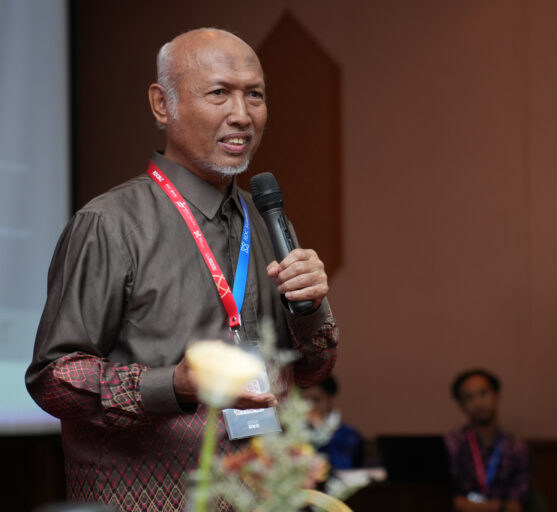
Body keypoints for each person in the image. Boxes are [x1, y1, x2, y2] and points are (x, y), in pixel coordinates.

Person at [25, 28, 338, 511]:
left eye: (254, 95)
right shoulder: (109, 224)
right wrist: (173, 385)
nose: (242, 114)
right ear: (161, 104)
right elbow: (53, 379)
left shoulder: (266, 221)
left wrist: (312, 307)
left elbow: (313, 370)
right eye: (219, 93)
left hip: (257, 497)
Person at [445, 369, 531, 512]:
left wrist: (469, 506)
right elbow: (446, 499)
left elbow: (518, 503)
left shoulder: (517, 448)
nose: (478, 403)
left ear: (496, 395)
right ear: (460, 404)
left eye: (483, 394)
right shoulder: (452, 444)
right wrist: (501, 506)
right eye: (469, 398)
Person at [301, 375, 365, 470]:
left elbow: (344, 466)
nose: (310, 406)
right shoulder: (294, 432)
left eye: (316, 399)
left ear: (330, 399)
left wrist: (320, 429)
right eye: (304, 400)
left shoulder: (348, 435)